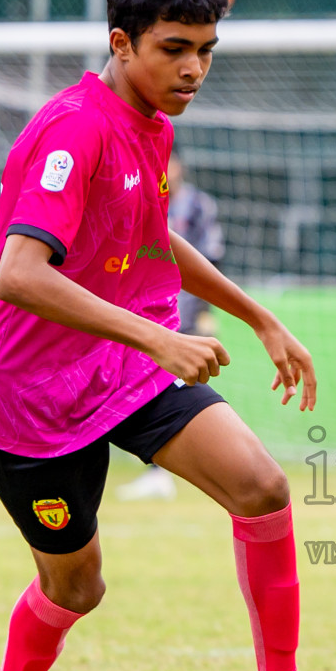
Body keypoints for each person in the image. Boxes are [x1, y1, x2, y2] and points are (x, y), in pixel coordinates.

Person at [0, 0, 336, 671]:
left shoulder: (150, 124)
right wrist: (160, 339)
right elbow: (19, 274)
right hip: (33, 399)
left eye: (206, 50)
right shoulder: (74, 129)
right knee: (77, 587)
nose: (194, 69)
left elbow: (149, 234)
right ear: (122, 43)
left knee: (261, 486)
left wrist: (258, 316)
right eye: (174, 48)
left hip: (121, 367)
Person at [116, 151, 224, 501]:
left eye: (168, 164)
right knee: (151, 386)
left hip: (186, 314)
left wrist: (205, 312)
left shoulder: (197, 206)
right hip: (146, 314)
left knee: (178, 390)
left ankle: (173, 470)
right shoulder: (140, 200)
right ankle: (160, 471)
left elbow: (210, 257)